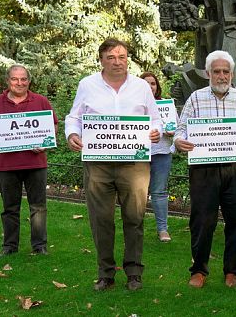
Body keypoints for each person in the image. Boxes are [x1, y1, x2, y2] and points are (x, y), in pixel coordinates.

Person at [65, 39, 162, 291]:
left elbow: (156, 120)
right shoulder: (87, 85)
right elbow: (74, 117)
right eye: (111, 57)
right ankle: (106, 273)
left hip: (135, 164)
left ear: (127, 58)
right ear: (101, 60)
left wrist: (155, 132)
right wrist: (72, 135)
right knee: (101, 220)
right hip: (98, 164)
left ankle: (134, 272)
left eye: (122, 56)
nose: (117, 61)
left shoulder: (141, 86)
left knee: (134, 217)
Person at [174, 50, 236, 289]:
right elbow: (180, 130)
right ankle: (199, 270)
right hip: (204, 170)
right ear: (208, 73)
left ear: (232, 74)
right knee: (202, 221)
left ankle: (232, 271)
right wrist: (178, 141)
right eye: (217, 71)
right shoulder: (195, 98)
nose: (222, 76)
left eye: (226, 71)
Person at [0, 64, 57, 257]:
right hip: (8, 164)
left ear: (28, 81)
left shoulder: (41, 101)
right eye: (15, 79)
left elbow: (53, 125)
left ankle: (39, 246)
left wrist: (46, 142)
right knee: (10, 208)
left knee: (38, 207)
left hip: (36, 163)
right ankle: (9, 247)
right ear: (8, 81)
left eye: (23, 79)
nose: (19, 83)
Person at [140, 72, 174, 242]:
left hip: (161, 153)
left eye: (153, 83)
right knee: (136, 194)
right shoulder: (133, 106)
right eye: (146, 83)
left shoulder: (166, 105)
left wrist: (172, 131)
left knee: (159, 192)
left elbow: (177, 127)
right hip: (139, 154)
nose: (150, 87)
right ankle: (135, 229)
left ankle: (162, 229)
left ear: (157, 86)